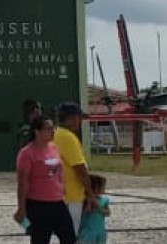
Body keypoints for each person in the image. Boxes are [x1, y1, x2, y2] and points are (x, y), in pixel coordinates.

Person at [14, 115, 76, 244]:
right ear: (37, 131)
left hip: (57, 201)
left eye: (53, 128)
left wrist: (62, 187)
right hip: (38, 204)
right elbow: (22, 183)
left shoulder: (54, 147)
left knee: (69, 236)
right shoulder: (26, 153)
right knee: (41, 238)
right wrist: (22, 208)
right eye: (48, 129)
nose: (52, 132)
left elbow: (59, 169)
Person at [54, 101, 95, 236]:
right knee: (71, 234)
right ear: (71, 118)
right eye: (79, 118)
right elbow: (80, 168)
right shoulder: (68, 137)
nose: (80, 121)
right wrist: (90, 193)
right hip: (71, 195)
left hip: (59, 193)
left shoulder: (56, 134)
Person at [77, 174, 110, 244]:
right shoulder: (84, 200)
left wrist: (98, 208)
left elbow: (108, 213)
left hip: (100, 230)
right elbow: (84, 213)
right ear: (95, 188)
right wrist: (89, 203)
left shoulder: (104, 200)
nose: (104, 189)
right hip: (87, 231)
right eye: (103, 187)